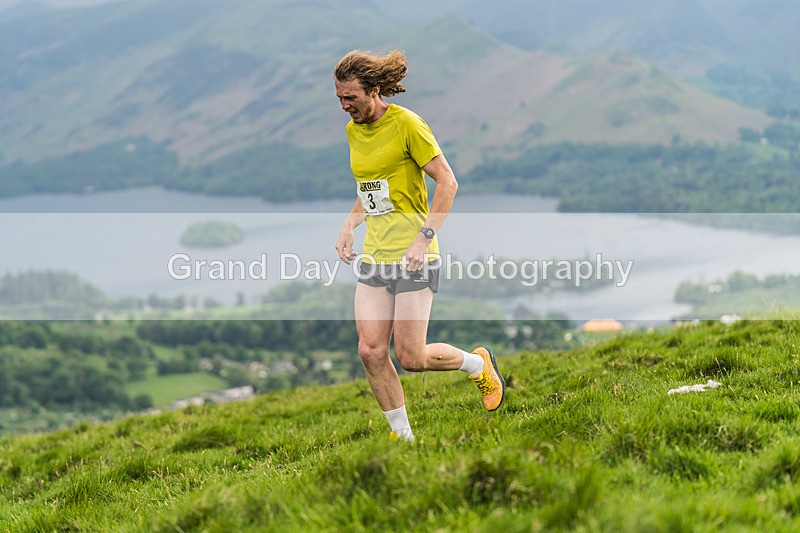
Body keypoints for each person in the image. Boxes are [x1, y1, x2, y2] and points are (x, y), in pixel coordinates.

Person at [333, 50, 505, 442]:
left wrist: (422, 239)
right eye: (340, 99)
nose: (345, 107)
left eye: (351, 98)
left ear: (374, 90)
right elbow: (371, 188)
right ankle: (403, 437)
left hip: (415, 256)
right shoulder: (353, 130)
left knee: (411, 357)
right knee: (370, 351)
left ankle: (477, 365)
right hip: (376, 255)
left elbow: (448, 182)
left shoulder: (408, 124)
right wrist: (348, 226)